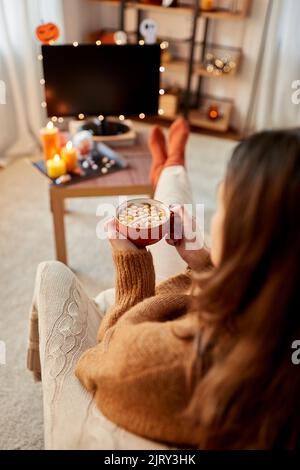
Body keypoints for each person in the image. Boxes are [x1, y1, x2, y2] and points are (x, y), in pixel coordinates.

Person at [30, 119, 300, 449]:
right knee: (176, 212)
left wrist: (132, 271)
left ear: (250, 242)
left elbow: (103, 355)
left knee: (52, 271)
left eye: (223, 208)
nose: (214, 219)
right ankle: (170, 163)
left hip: (148, 335)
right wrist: (204, 263)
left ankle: (170, 166)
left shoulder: (161, 365)